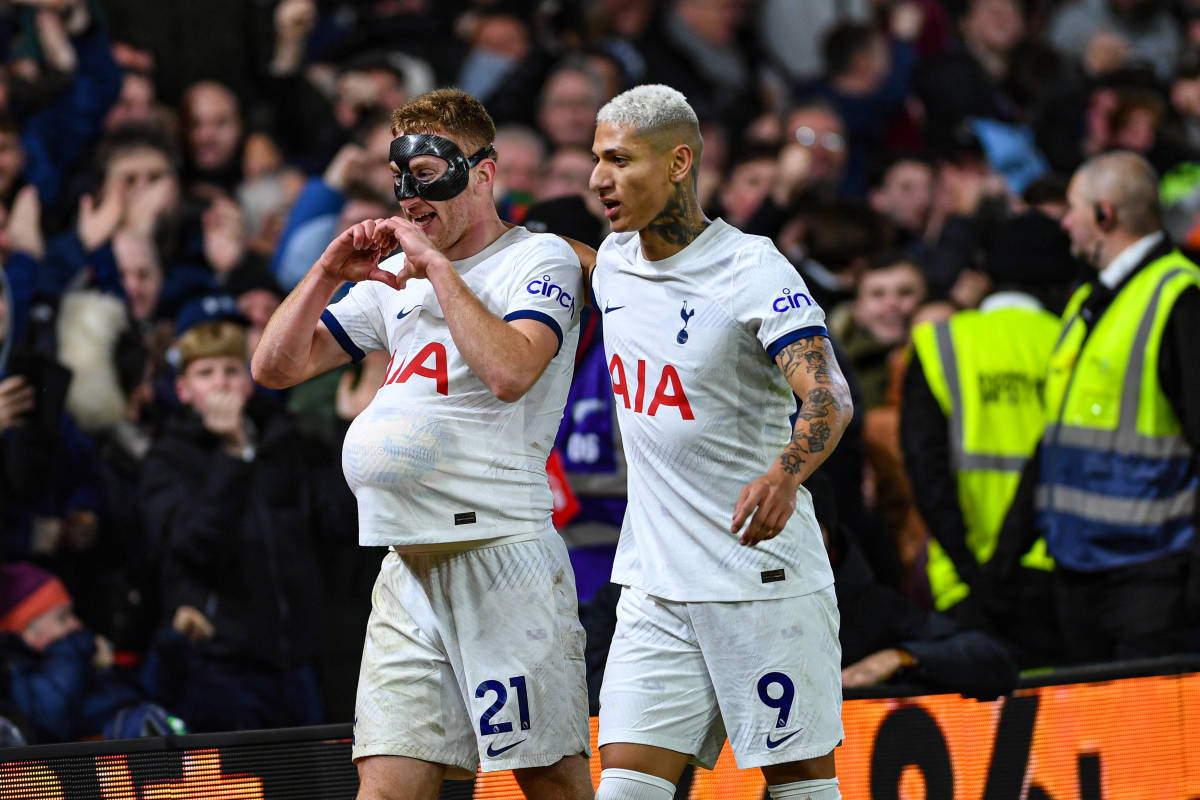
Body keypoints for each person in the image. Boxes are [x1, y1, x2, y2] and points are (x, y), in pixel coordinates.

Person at [250, 88, 593, 800]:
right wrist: (324, 275)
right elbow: (274, 368)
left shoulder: (540, 260)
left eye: (430, 174)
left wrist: (438, 269)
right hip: (407, 565)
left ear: (485, 172)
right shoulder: (390, 280)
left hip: (499, 553)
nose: (410, 197)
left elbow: (511, 371)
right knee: (386, 787)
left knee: (549, 781)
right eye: (400, 179)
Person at [587, 84, 854, 800]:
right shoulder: (613, 263)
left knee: (800, 787)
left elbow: (830, 395)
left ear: (679, 163)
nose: (598, 178)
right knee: (624, 789)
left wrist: (784, 476)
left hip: (759, 582)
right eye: (595, 160)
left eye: (619, 159)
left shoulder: (750, 269)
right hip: (655, 587)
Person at [990, 151, 1200, 663]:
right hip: (1079, 568)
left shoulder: (1180, 297)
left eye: (1072, 210)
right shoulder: (1089, 299)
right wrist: (1005, 561)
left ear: (1105, 215)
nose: (1064, 223)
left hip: (1153, 575)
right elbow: (1056, 438)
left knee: (1150, 737)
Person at [140, 298, 349, 732]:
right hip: (224, 666)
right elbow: (190, 548)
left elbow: (335, 527)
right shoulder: (167, 459)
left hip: (302, 660)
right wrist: (232, 457)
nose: (221, 384)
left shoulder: (284, 442)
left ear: (250, 381)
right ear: (182, 389)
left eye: (232, 371)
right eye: (205, 373)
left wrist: (347, 426)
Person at [901, 210, 1078, 665]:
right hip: (1058, 571)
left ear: (988, 276)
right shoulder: (1076, 343)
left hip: (963, 578)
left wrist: (971, 569)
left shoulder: (940, 343)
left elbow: (926, 470)